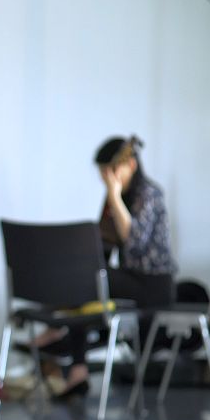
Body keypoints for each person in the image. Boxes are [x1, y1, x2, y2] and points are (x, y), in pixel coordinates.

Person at [43, 135, 176, 399]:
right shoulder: (113, 199)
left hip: (154, 283)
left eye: (112, 171)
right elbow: (101, 248)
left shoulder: (150, 194)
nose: (107, 178)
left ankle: (60, 337)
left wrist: (114, 197)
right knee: (85, 279)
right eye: (103, 172)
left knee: (88, 280)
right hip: (130, 278)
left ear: (131, 165)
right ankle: (75, 364)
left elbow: (134, 242)